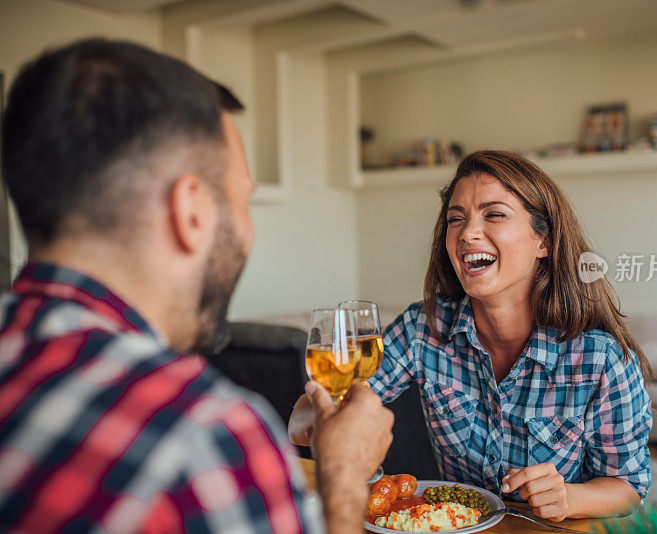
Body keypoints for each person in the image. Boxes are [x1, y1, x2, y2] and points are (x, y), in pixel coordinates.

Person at [0, 38, 393, 533]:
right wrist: (344, 480)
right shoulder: (207, 436)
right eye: (242, 200)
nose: (249, 230)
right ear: (190, 212)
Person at [290, 150, 652, 522]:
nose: (467, 233)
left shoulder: (600, 359)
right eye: (455, 219)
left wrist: (569, 498)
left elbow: (628, 487)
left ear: (544, 242)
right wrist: (313, 414)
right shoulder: (423, 329)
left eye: (494, 214)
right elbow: (337, 404)